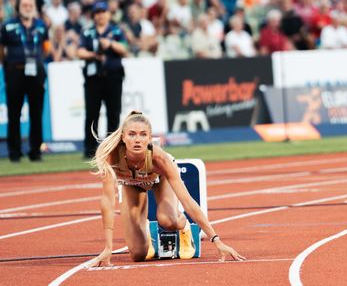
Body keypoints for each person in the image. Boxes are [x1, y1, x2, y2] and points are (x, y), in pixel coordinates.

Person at [87, 111, 245, 266]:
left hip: (159, 179)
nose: (137, 140)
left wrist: (216, 240)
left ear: (150, 138)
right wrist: (108, 248)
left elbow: (187, 201)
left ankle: (185, 228)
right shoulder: (111, 156)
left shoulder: (159, 159)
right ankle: (147, 231)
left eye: (143, 135)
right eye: (132, 134)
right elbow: (107, 201)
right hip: (131, 185)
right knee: (137, 254)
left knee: (167, 220)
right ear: (123, 137)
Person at [0, 0, 50, 162]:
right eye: (24, 5)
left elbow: (46, 48)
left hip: (36, 73)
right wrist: (9, 63)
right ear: (18, 7)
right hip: (15, 72)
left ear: (34, 8)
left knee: (37, 113)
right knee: (14, 113)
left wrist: (37, 60)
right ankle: (15, 152)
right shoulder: (8, 26)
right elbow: (1, 50)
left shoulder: (41, 25)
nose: (28, 8)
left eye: (30, 5)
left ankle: (35, 151)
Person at [77, 0, 128, 159]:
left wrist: (110, 44)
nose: (100, 15)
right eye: (97, 13)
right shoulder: (87, 32)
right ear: (93, 15)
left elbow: (124, 49)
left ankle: (112, 148)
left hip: (113, 77)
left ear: (108, 14)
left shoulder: (116, 31)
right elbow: (79, 52)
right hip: (94, 78)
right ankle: (90, 149)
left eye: (103, 12)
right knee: (92, 113)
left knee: (114, 113)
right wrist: (94, 55)